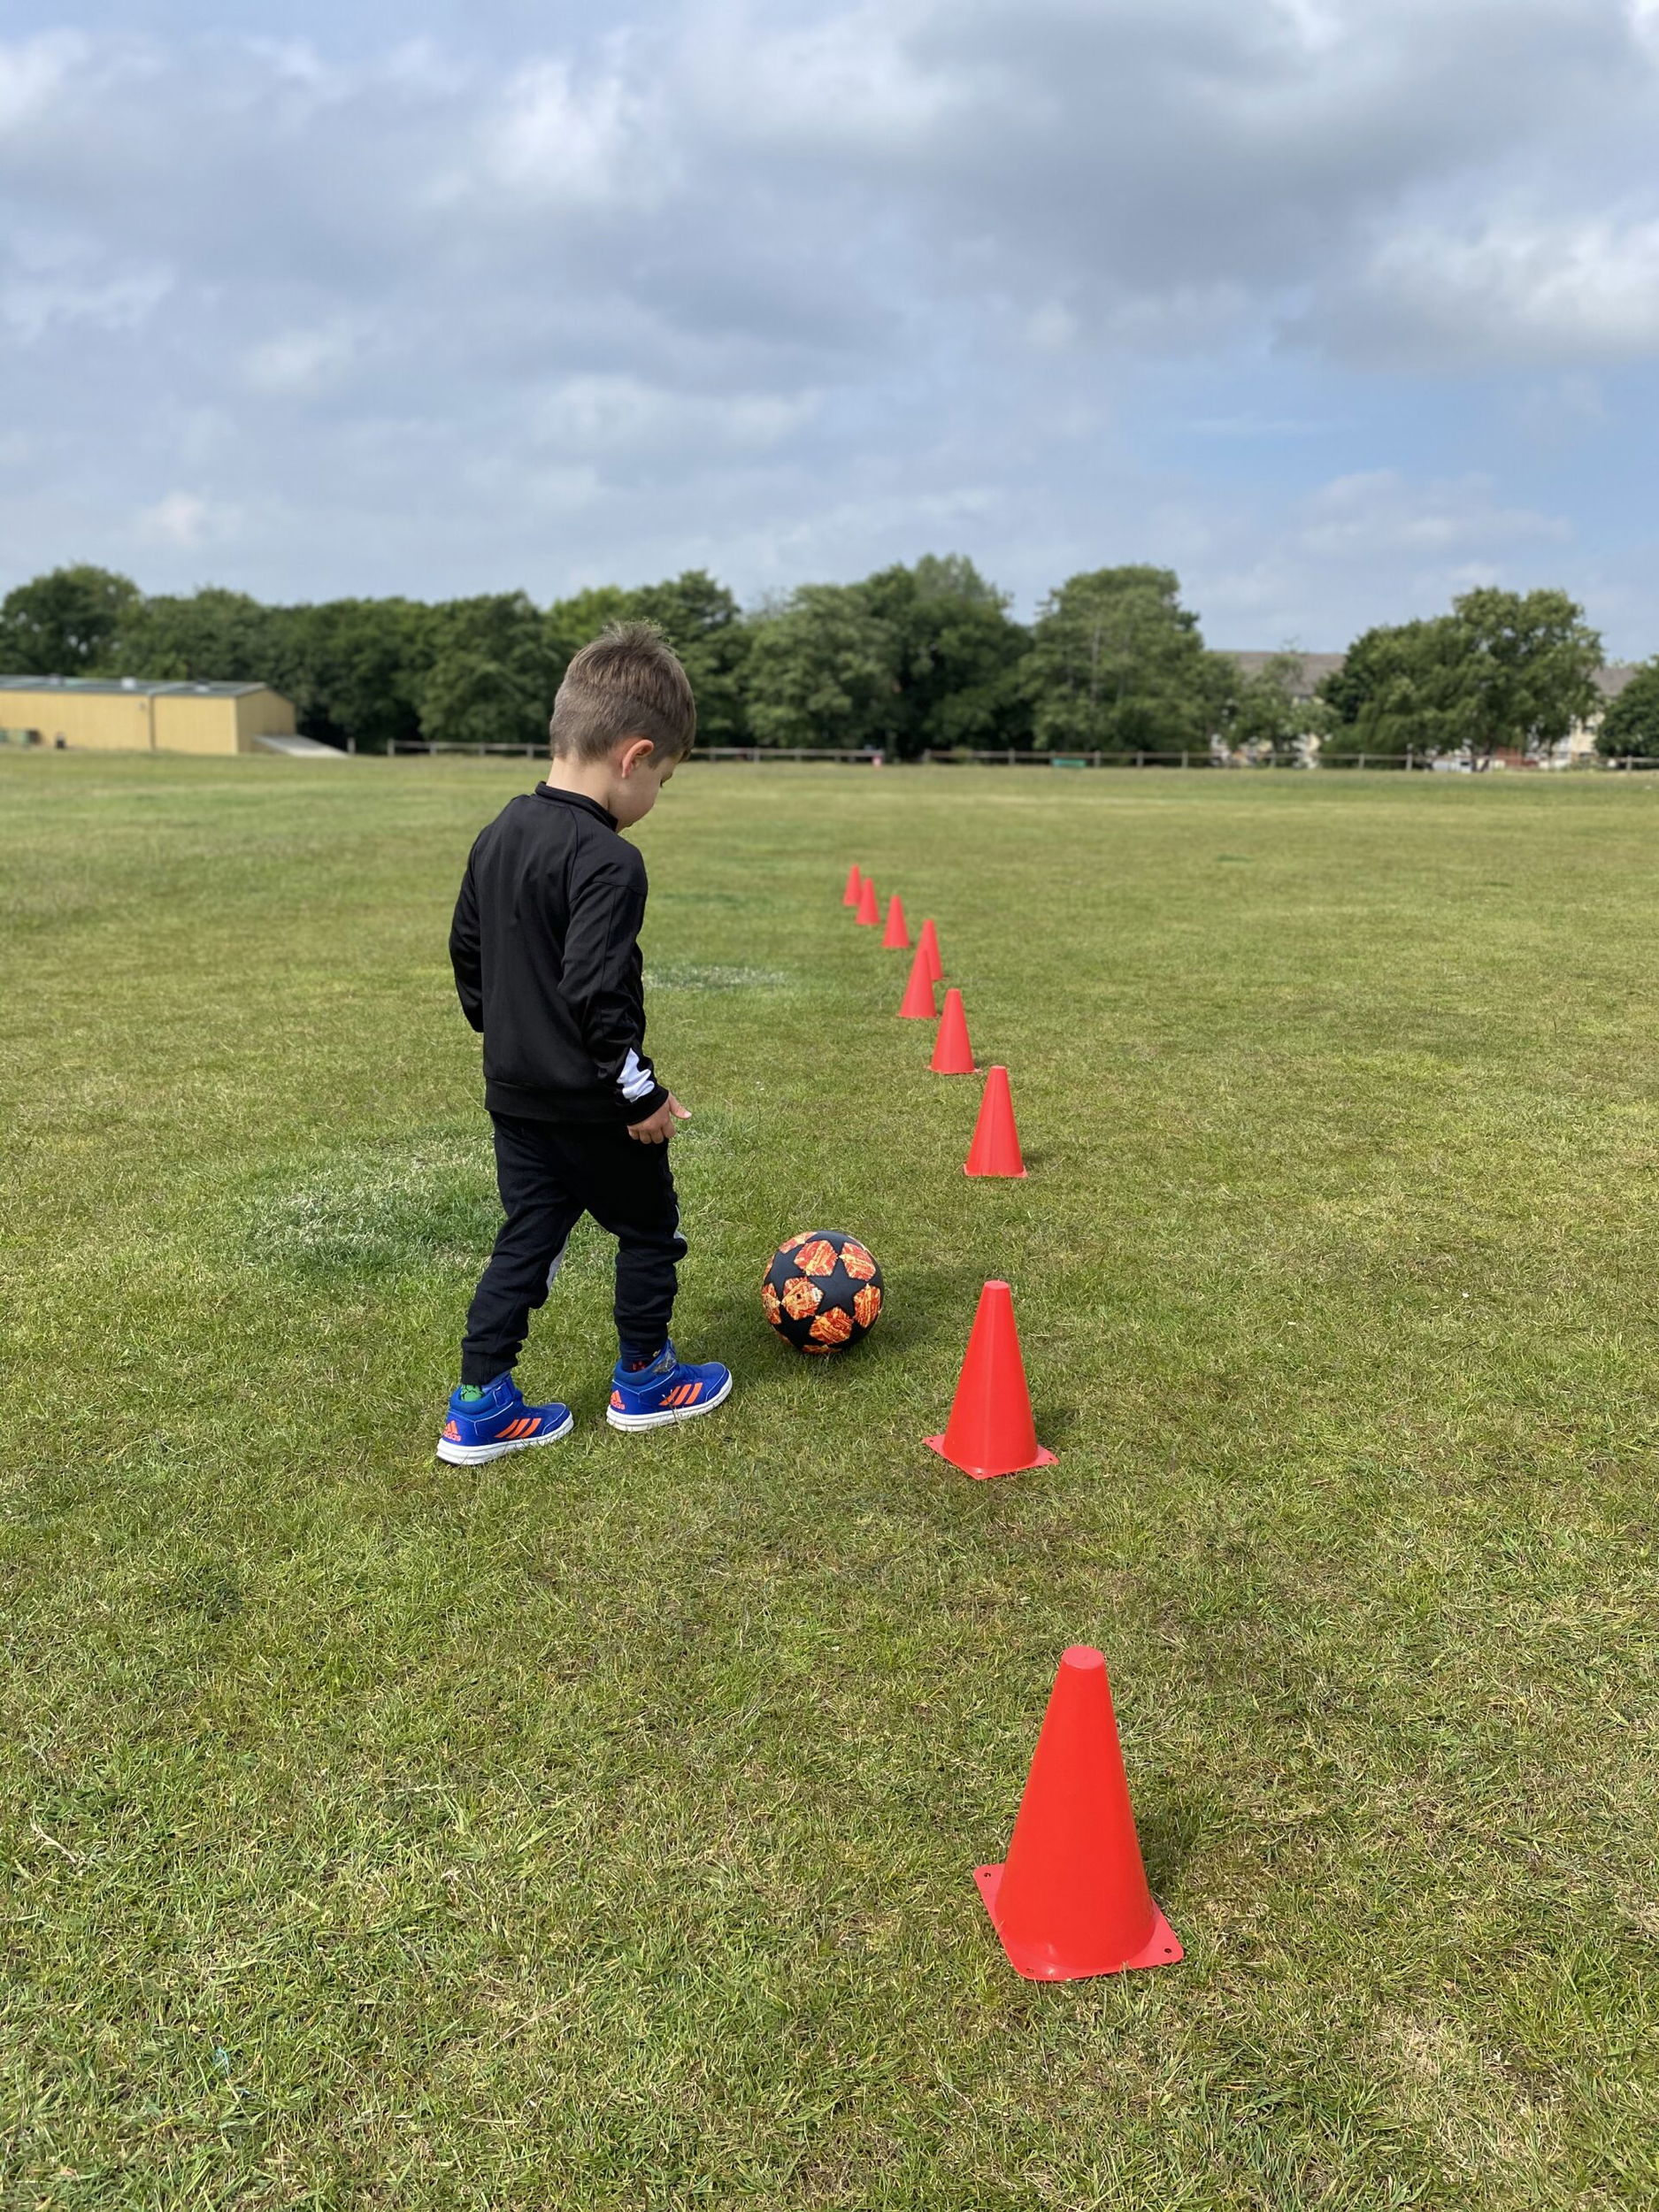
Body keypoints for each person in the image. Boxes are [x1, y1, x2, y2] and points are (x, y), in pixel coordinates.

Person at [436, 623, 732, 1464]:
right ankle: (646, 1379)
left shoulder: (499, 830)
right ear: (634, 756)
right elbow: (596, 993)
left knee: (526, 1239)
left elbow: (468, 954)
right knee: (648, 1230)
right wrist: (638, 1095)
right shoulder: (609, 859)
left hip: (515, 1098)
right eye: (665, 780)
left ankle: (478, 1405)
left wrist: (509, 1038)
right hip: (594, 1106)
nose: (657, 798)